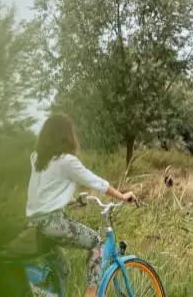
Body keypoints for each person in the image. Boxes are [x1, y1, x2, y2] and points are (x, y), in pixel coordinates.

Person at [26, 114, 137, 297]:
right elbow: (97, 182)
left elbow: (41, 192)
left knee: (62, 269)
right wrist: (122, 196)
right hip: (53, 225)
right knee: (96, 243)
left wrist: (69, 201)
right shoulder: (67, 161)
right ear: (67, 136)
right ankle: (91, 294)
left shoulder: (36, 158)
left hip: (33, 225)